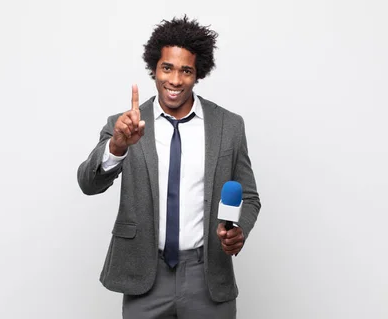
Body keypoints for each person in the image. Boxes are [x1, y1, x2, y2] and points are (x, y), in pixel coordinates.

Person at [77, 15, 261, 318]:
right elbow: (88, 183)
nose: (175, 80)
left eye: (185, 70)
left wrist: (239, 229)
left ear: (197, 73)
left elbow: (250, 197)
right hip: (145, 275)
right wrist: (118, 146)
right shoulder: (124, 124)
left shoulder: (228, 126)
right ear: (154, 68)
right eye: (167, 68)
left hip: (207, 274)